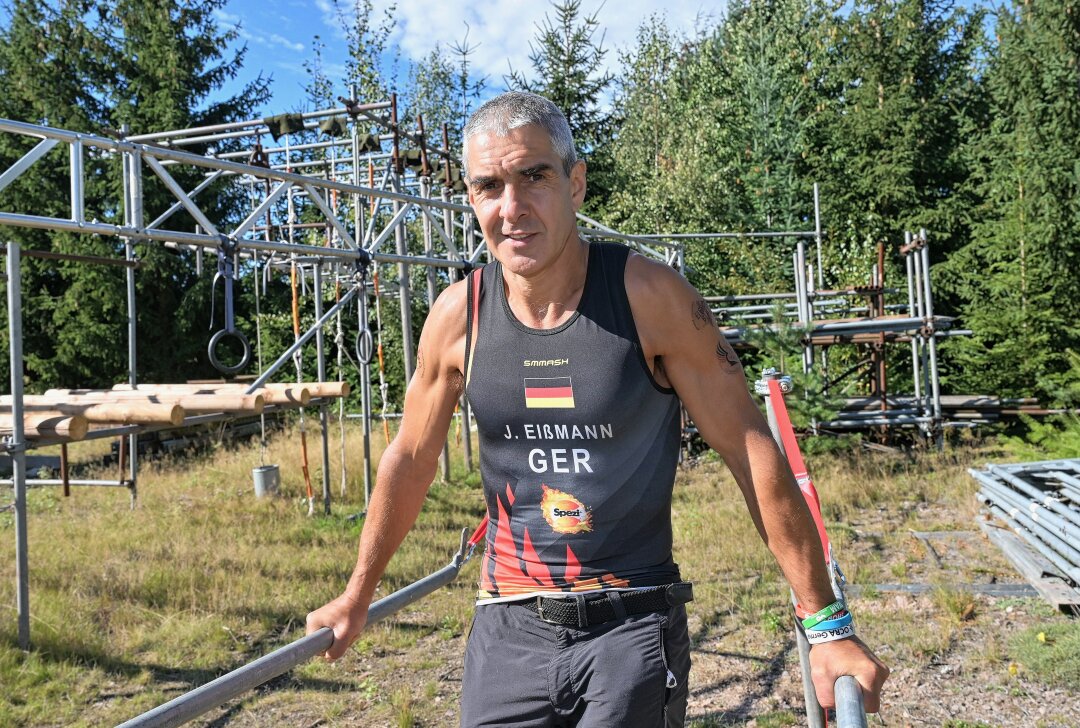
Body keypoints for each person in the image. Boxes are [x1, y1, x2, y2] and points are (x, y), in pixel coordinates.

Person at [306, 91, 889, 727]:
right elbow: (412, 457)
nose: (513, 208)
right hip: (507, 627)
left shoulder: (649, 298)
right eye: (489, 186)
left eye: (534, 176)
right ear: (471, 201)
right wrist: (356, 596)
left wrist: (826, 624)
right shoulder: (458, 317)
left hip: (631, 623)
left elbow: (749, 450)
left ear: (575, 184)